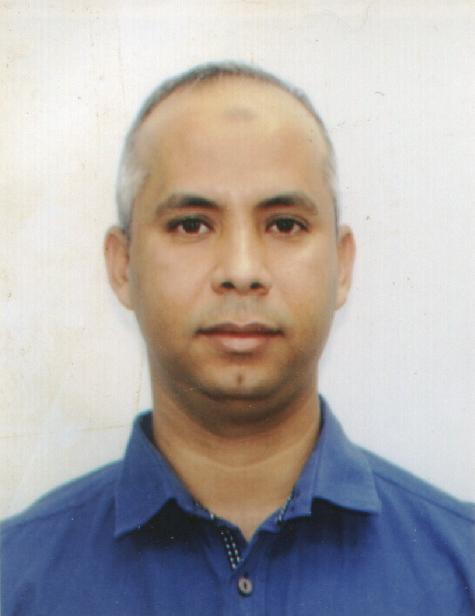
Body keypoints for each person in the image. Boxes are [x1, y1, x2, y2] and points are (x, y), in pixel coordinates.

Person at [2, 62, 474, 615]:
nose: (242, 270)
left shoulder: (461, 573)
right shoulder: (16, 582)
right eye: (191, 225)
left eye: (284, 224)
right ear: (123, 265)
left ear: (342, 265)